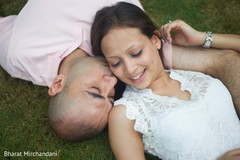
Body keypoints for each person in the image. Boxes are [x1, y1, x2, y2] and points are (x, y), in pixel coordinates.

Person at [0, 0, 239, 143]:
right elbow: (226, 61)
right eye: (111, 97)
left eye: (94, 91)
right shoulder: (128, 55)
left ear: (57, 84)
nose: (111, 83)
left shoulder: (19, 54)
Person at [90, 2, 240, 160]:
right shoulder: (126, 113)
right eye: (115, 63)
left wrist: (200, 38)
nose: (130, 68)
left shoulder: (189, 71)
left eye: (136, 53)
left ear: (155, 40)